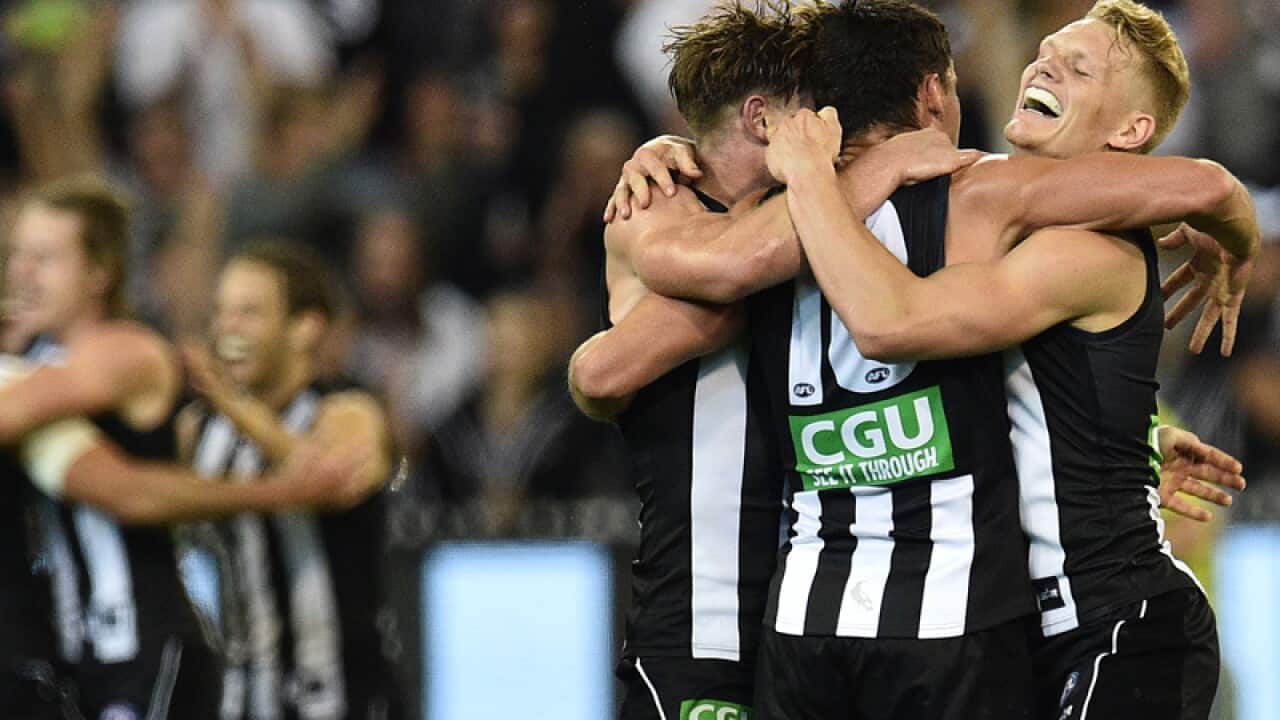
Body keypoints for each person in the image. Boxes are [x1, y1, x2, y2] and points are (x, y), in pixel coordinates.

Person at [584, 1, 1257, 717]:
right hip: (982, 628)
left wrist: (1235, 230)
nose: (1042, 65)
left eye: (1078, 66)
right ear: (934, 93)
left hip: (1105, 620)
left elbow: (891, 322)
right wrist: (1123, 443)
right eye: (1044, 52)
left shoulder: (1025, 221)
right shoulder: (746, 220)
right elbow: (602, 371)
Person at [180, 240, 404, 720]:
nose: (227, 331)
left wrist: (232, 403)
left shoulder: (347, 410)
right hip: (238, 693)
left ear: (305, 328)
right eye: (221, 313)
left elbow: (337, 478)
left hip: (341, 691)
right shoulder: (201, 428)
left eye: (249, 313)